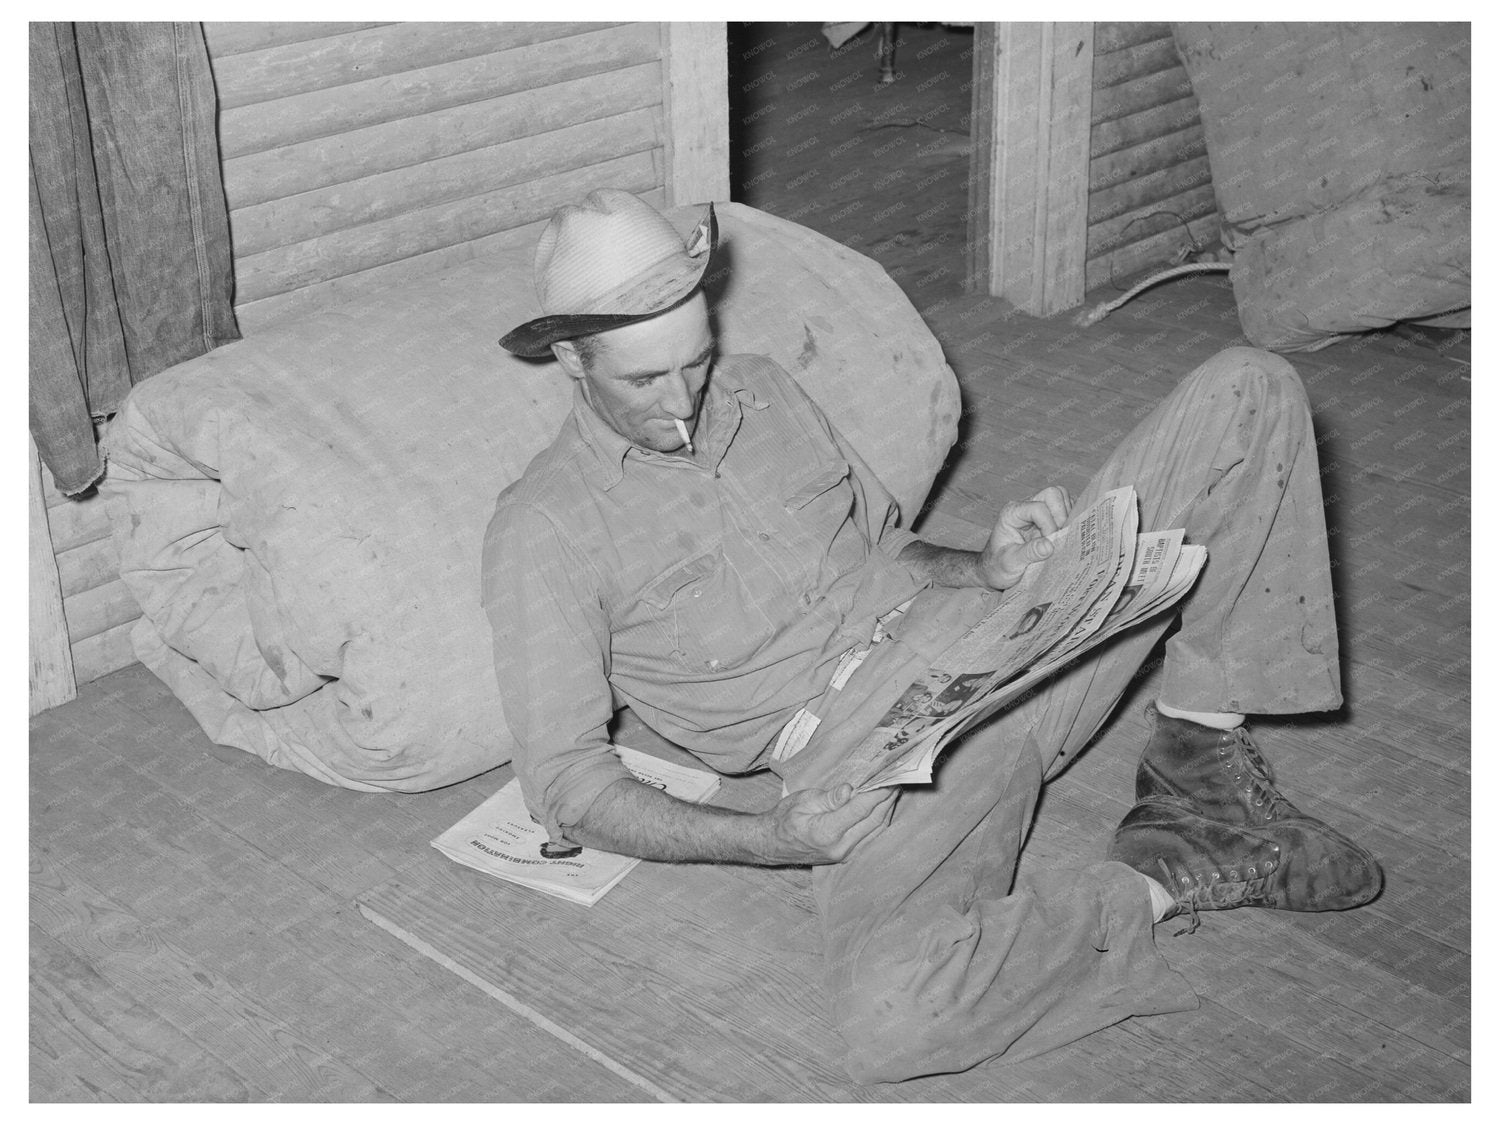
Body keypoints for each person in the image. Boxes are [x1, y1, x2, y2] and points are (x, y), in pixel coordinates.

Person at [484, 189, 1383, 1084]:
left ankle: (1200, 759)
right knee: (895, 1020)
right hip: (863, 756)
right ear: (570, 357)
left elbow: (884, 547)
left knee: (1248, 389)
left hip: (1000, 634)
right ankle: (1168, 871)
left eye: (695, 359)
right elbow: (563, 786)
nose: (684, 398)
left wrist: (984, 565)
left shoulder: (759, 386)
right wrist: (772, 833)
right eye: (645, 379)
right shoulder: (545, 526)